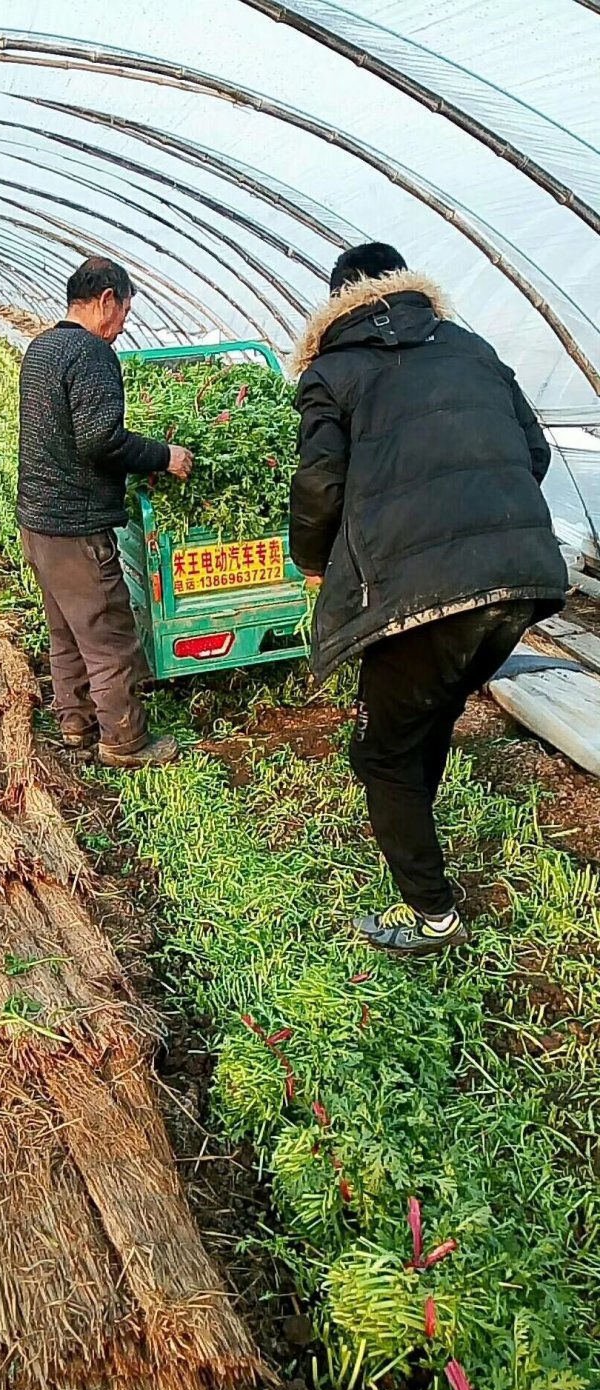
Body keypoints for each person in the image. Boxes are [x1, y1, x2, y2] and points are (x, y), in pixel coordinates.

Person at [289, 242, 567, 953]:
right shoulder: (470, 348)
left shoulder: (333, 371)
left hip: (423, 596)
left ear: (337, 302)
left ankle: (431, 913)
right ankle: (418, 820)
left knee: (381, 755)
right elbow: (532, 453)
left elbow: (320, 486)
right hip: (521, 578)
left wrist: (316, 563)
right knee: (430, 710)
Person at [17, 257, 193, 767]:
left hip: (39, 522)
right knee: (109, 636)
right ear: (106, 300)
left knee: (67, 628)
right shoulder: (91, 354)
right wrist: (165, 456)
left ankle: (75, 722)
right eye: (125, 313)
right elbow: (100, 441)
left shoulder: (42, 347)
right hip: (76, 527)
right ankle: (125, 741)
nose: (123, 327)